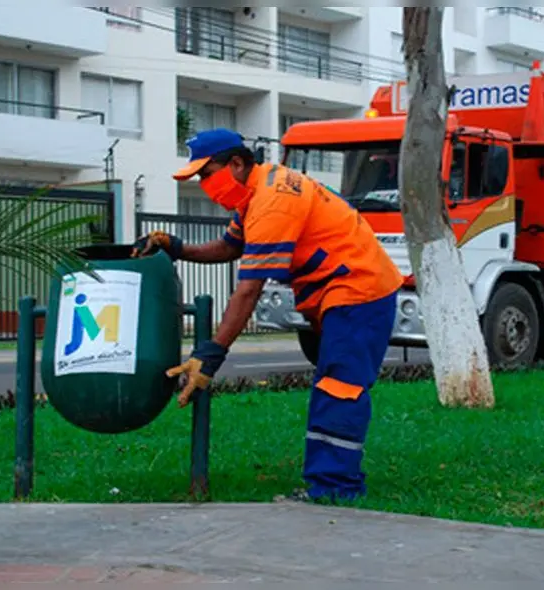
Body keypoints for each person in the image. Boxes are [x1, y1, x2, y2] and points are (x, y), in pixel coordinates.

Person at [132, 128, 403, 503]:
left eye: (207, 174)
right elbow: (229, 247)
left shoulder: (273, 200)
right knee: (335, 385)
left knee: (339, 387)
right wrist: (177, 248)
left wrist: (212, 353)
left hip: (359, 291)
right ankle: (335, 479)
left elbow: (249, 289)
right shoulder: (257, 192)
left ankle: (335, 489)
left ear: (237, 164)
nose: (205, 185)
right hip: (340, 292)